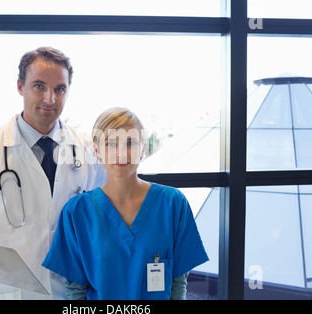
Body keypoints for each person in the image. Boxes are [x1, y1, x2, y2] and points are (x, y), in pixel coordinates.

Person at [0, 47, 106, 300]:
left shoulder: (89, 150)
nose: (50, 98)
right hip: (11, 292)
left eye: (60, 89)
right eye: (39, 86)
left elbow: (109, 218)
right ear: (20, 86)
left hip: (76, 294)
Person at [42, 107, 209, 300]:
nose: (121, 153)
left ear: (143, 149)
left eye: (130, 143)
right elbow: (76, 292)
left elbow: (178, 284)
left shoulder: (173, 204)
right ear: (97, 151)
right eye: (111, 144)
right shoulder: (76, 213)